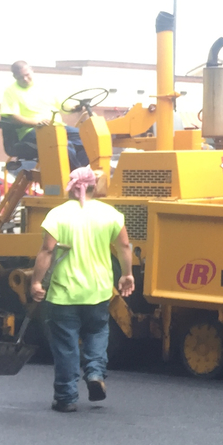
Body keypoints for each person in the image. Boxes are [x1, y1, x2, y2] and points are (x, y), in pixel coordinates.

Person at [30, 166, 133, 412]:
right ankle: (95, 373)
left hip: (63, 295)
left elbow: (47, 251)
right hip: (97, 292)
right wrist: (127, 274)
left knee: (66, 346)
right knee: (97, 334)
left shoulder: (57, 214)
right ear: (93, 186)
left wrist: (35, 282)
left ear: (71, 187)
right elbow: (125, 245)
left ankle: (66, 398)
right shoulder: (110, 214)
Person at [0, 60, 89, 167]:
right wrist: (35, 122)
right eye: (20, 77)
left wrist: (75, 108)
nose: (25, 79)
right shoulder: (11, 91)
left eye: (27, 75)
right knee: (62, 144)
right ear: (14, 77)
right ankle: (76, 176)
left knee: (89, 138)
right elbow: (12, 116)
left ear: (32, 71)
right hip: (32, 131)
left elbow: (63, 105)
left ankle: (78, 172)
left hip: (57, 127)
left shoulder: (45, 87)